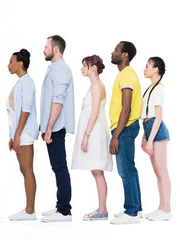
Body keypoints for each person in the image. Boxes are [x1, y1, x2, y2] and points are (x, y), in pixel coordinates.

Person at [71, 55, 113, 221]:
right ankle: (101, 209)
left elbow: (94, 112)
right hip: (94, 131)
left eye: (84, 65)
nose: (81, 68)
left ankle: (102, 210)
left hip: (95, 133)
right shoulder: (95, 86)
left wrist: (86, 135)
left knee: (97, 171)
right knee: (96, 171)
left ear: (93, 68)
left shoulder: (97, 86)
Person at [40, 35, 75, 222]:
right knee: (57, 167)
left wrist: (49, 129)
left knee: (60, 167)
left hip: (55, 128)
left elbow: (57, 101)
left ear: (55, 49)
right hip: (51, 127)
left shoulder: (61, 70)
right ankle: (60, 206)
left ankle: (64, 211)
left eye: (46, 46)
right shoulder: (55, 69)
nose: (43, 50)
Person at [109, 41, 143, 224]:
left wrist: (115, 136)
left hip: (124, 128)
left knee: (126, 170)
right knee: (130, 169)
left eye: (116, 50)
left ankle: (131, 213)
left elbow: (126, 108)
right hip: (125, 128)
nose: (112, 52)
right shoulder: (125, 74)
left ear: (125, 55)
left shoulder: (127, 75)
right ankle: (136, 208)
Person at [6, 49, 39, 221]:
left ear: (20, 63)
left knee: (27, 170)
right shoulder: (20, 83)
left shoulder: (27, 83)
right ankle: (28, 209)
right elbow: (14, 112)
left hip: (24, 132)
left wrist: (18, 135)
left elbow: (26, 111)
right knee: (24, 169)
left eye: (11, 61)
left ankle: (30, 211)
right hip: (19, 132)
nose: (8, 65)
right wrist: (12, 136)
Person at [141, 57, 172, 221]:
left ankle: (166, 209)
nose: (144, 69)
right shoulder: (150, 88)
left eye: (147, 66)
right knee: (157, 170)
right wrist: (144, 138)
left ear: (156, 69)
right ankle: (161, 208)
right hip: (149, 129)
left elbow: (158, 117)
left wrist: (151, 139)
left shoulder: (159, 88)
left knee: (162, 170)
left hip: (157, 130)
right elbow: (146, 116)